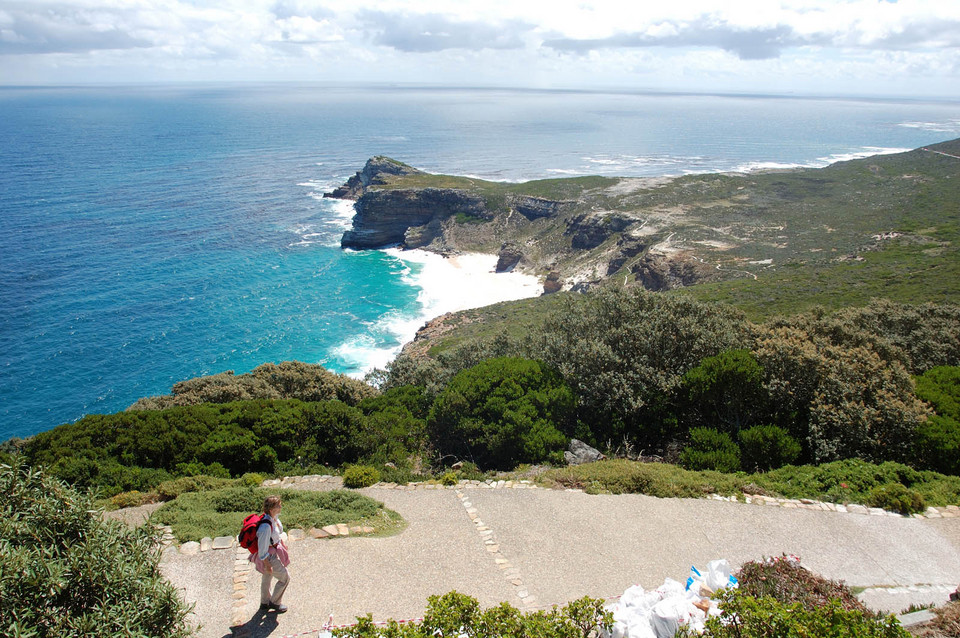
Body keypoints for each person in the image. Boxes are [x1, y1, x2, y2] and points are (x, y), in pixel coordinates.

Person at [253, 495, 290, 613]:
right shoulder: (265, 527)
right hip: (268, 557)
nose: (280, 507)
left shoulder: (272, 519)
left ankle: (264, 603)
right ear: (271, 509)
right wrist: (267, 563)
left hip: (270, 553)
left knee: (267, 577)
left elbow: (276, 534)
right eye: (278, 505)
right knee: (285, 578)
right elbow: (262, 548)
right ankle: (275, 602)